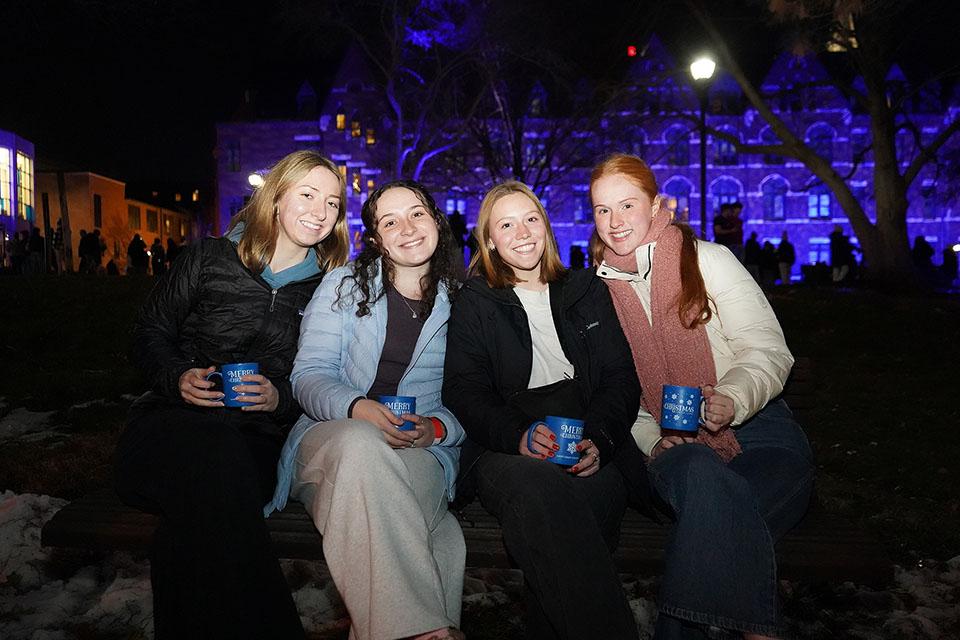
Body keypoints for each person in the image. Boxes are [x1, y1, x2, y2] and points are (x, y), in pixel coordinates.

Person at [114, 150, 350, 639]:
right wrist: (178, 375)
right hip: (167, 426)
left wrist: (279, 399)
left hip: (252, 442)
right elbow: (147, 334)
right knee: (211, 470)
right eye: (308, 195)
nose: (320, 211)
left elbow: (325, 376)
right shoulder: (208, 257)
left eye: (332, 203)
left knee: (196, 507)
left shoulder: (328, 291)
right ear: (275, 198)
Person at [589, 154, 813, 640]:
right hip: (677, 445)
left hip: (763, 434)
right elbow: (617, 390)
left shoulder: (708, 260)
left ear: (656, 205)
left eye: (627, 205)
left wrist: (733, 396)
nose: (615, 220)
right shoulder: (599, 291)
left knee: (706, 522)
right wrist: (652, 439)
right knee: (702, 485)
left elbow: (766, 349)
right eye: (603, 210)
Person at [267, 180, 467, 640]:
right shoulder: (343, 286)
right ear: (376, 238)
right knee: (361, 446)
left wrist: (437, 428)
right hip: (334, 437)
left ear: (437, 222)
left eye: (417, 214)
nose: (407, 228)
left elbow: (478, 398)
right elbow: (308, 376)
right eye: (390, 222)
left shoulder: (464, 301)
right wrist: (356, 407)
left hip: (419, 450)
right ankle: (427, 629)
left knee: (403, 522)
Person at [443, 181, 642, 639]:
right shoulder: (476, 300)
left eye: (531, 219)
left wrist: (600, 439)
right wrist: (519, 434)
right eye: (506, 225)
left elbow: (619, 377)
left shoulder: (585, 290)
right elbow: (465, 389)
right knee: (542, 496)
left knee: (583, 507)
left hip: (588, 438)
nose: (522, 233)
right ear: (489, 240)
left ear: (546, 227)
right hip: (507, 448)